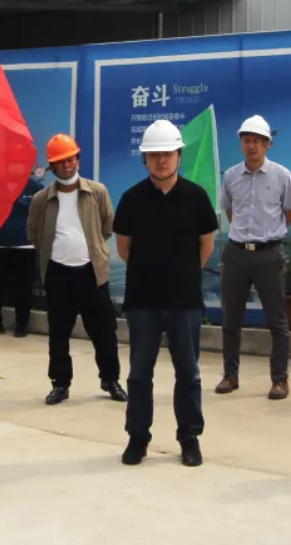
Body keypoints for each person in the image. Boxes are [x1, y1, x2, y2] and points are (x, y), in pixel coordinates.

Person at [113, 120, 219, 467]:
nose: (161, 160)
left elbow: (206, 245)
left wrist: (183, 275)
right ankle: (137, 438)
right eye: (154, 154)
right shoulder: (131, 199)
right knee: (139, 373)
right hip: (142, 300)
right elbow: (124, 249)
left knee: (188, 372)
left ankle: (189, 438)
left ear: (179, 156)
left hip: (184, 300)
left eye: (168, 154)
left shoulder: (196, 197)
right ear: (145, 158)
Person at [27, 134, 126, 405]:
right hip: (58, 274)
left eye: (71, 159)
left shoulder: (97, 191)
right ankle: (60, 384)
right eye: (60, 161)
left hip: (92, 273)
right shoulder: (41, 199)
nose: (67, 165)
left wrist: (91, 250)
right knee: (59, 333)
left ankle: (110, 380)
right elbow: (34, 234)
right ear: (52, 166)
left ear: (78, 160)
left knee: (104, 331)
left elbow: (107, 226)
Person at [216, 114, 291, 400]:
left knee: (277, 321)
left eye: (257, 141)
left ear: (267, 144)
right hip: (237, 253)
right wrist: (246, 236)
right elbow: (230, 211)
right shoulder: (230, 176)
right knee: (231, 319)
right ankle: (230, 375)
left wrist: (269, 235)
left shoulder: (281, 175)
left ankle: (279, 380)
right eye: (246, 140)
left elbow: (289, 212)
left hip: (269, 255)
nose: (251, 146)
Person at [0, 173, 43, 337]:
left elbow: (42, 214)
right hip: (1, 244)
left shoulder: (35, 187)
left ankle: (21, 325)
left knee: (23, 288)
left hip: (26, 246)